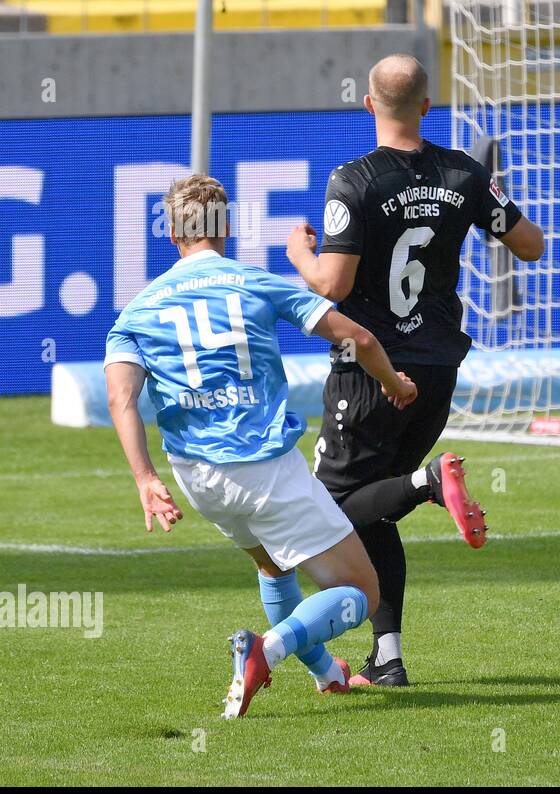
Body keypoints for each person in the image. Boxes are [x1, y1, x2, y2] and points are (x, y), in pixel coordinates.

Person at [104, 174, 418, 718]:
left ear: (172, 235)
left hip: (196, 476)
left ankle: (327, 674)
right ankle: (264, 651)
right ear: (225, 228)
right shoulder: (254, 282)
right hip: (264, 466)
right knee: (362, 593)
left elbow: (121, 400)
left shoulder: (137, 310)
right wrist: (394, 383)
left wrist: (144, 479)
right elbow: (359, 338)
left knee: (274, 568)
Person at [287, 53, 545, 686]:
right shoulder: (464, 174)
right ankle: (389, 657)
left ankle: (430, 483)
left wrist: (299, 252)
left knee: (335, 504)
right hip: (436, 368)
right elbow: (532, 245)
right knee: (373, 508)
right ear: (428, 106)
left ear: (369, 104)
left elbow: (334, 282)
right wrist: (484, 201)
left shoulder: (354, 181)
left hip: (370, 366)